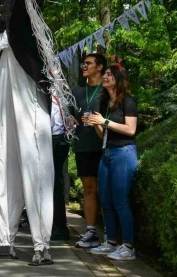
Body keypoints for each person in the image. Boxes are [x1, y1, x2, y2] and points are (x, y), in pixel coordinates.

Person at [0, 0, 54, 266]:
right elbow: (5, 24)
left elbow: (34, 0)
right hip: (9, 66)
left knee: (34, 151)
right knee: (1, 152)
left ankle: (42, 243)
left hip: (28, 69)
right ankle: (3, 238)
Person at [84, 65, 139, 261]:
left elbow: (130, 130)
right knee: (105, 199)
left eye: (109, 74)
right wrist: (96, 123)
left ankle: (128, 246)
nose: (105, 77)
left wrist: (105, 121)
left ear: (118, 78)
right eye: (104, 74)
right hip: (107, 153)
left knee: (120, 200)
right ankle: (112, 242)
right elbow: (102, 135)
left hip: (123, 153)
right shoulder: (106, 103)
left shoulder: (128, 101)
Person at [72, 53, 106, 248]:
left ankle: (110, 233)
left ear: (99, 67)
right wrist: (71, 120)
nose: (84, 66)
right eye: (83, 63)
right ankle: (91, 231)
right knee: (89, 188)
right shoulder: (77, 91)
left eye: (88, 63)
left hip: (104, 146)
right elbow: (70, 115)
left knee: (106, 190)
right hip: (83, 145)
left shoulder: (107, 89)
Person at [50, 94, 70, 241]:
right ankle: (54, 223)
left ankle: (59, 225)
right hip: (51, 137)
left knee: (56, 183)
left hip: (57, 138)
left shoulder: (59, 93)